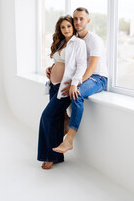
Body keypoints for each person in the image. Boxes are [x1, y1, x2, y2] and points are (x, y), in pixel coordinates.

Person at [52, 7, 108, 154]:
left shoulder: (94, 40)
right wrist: (52, 69)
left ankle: (69, 140)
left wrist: (75, 83)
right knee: (54, 85)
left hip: (97, 77)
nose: (77, 22)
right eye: (75, 18)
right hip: (82, 75)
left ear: (87, 21)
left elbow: (92, 67)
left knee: (76, 93)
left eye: (81, 18)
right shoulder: (73, 40)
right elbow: (67, 61)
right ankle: (65, 118)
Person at [37, 15, 87, 169]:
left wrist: (74, 84)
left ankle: (49, 156)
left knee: (47, 116)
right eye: (63, 27)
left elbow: (81, 65)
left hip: (64, 88)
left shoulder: (78, 43)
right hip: (54, 86)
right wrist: (49, 69)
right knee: (56, 119)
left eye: (68, 26)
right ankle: (56, 156)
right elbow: (59, 63)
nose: (66, 29)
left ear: (73, 27)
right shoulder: (61, 43)